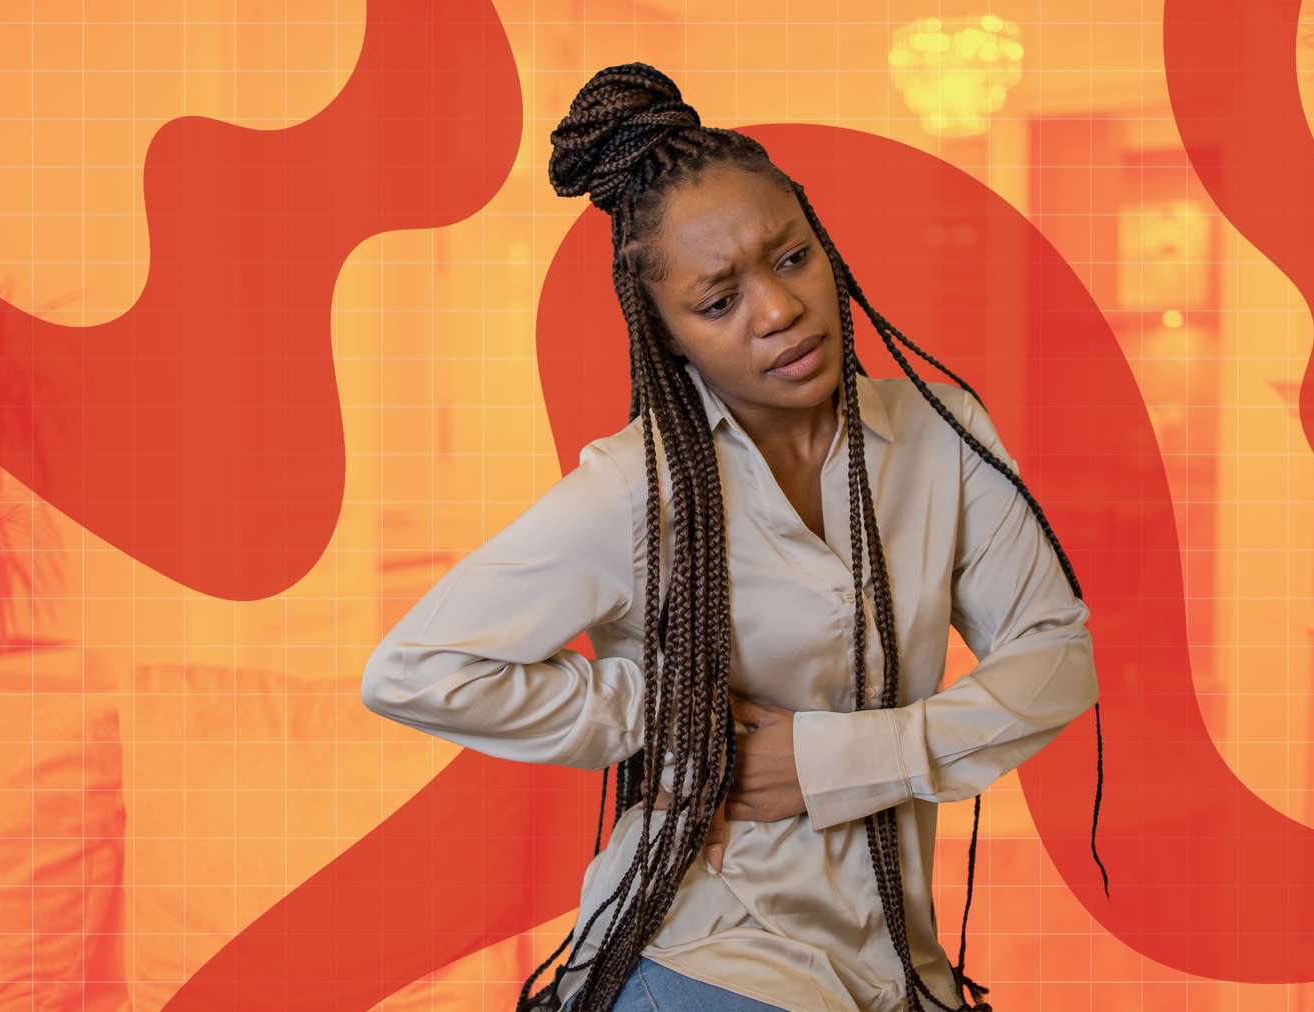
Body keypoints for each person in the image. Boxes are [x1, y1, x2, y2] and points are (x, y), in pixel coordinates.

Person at [360, 62, 1105, 1012]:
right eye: (718, 302)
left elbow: (1056, 656)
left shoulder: (941, 429)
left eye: (790, 258)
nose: (778, 310)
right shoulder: (637, 489)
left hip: (893, 965)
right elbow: (416, 671)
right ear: (667, 332)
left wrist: (848, 757)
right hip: (707, 955)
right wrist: (674, 714)